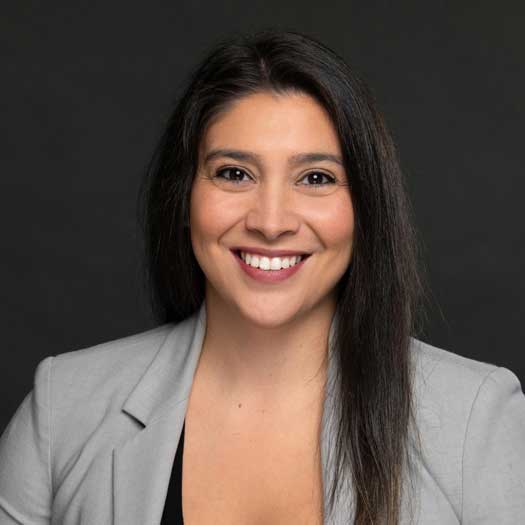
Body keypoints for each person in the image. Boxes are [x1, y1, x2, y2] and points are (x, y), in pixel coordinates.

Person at [1, 29, 524, 525]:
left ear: (365, 206)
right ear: (184, 195)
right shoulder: (63, 408)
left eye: (315, 178)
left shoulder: (477, 418)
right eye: (234, 173)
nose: (270, 222)